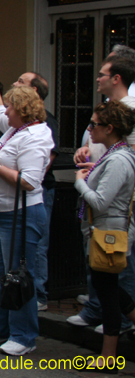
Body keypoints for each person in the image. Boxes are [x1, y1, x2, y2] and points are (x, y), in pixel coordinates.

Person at [0, 78, 53, 356]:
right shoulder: (16, 130)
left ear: (23, 110)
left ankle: (24, 335)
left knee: (18, 276)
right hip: (5, 212)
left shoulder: (35, 136)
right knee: (5, 273)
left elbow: (30, 181)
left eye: (10, 107)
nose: (4, 112)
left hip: (21, 214)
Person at [68, 54, 135, 334]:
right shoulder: (107, 111)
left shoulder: (127, 112)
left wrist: (81, 181)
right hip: (98, 213)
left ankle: (117, 322)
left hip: (112, 217)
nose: (97, 79)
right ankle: (100, 311)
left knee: (117, 274)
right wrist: (85, 155)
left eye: (102, 74)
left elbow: (123, 159)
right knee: (100, 273)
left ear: (116, 78)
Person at [75, 101, 135, 372]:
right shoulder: (116, 154)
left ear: (109, 128)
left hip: (108, 235)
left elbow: (100, 201)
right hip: (104, 233)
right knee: (107, 287)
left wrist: (79, 182)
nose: (90, 130)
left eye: (94, 124)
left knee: (108, 292)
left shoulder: (119, 158)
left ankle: (108, 356)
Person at [8, 68, 59, 311]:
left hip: (35, 195)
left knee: (36, 248)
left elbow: (39, 170)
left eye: (20, 81)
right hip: (11, 200)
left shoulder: (45, 124)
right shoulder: (14, 127)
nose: (15, 83)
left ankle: (37, 295)